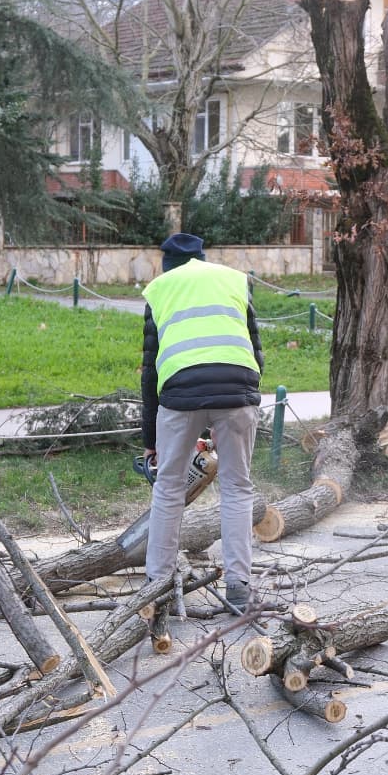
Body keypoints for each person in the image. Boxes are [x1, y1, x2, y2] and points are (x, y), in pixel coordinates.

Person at [141, 232, 263, 610]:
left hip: (179, 395)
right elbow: (254, 350)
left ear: (166, 264)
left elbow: (150, 370)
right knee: (237, 487)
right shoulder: (234, 280)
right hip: (238, 388)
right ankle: (239, 585)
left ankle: (156, 584)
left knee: (168, 487)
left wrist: (151, 439)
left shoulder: (160, 289)